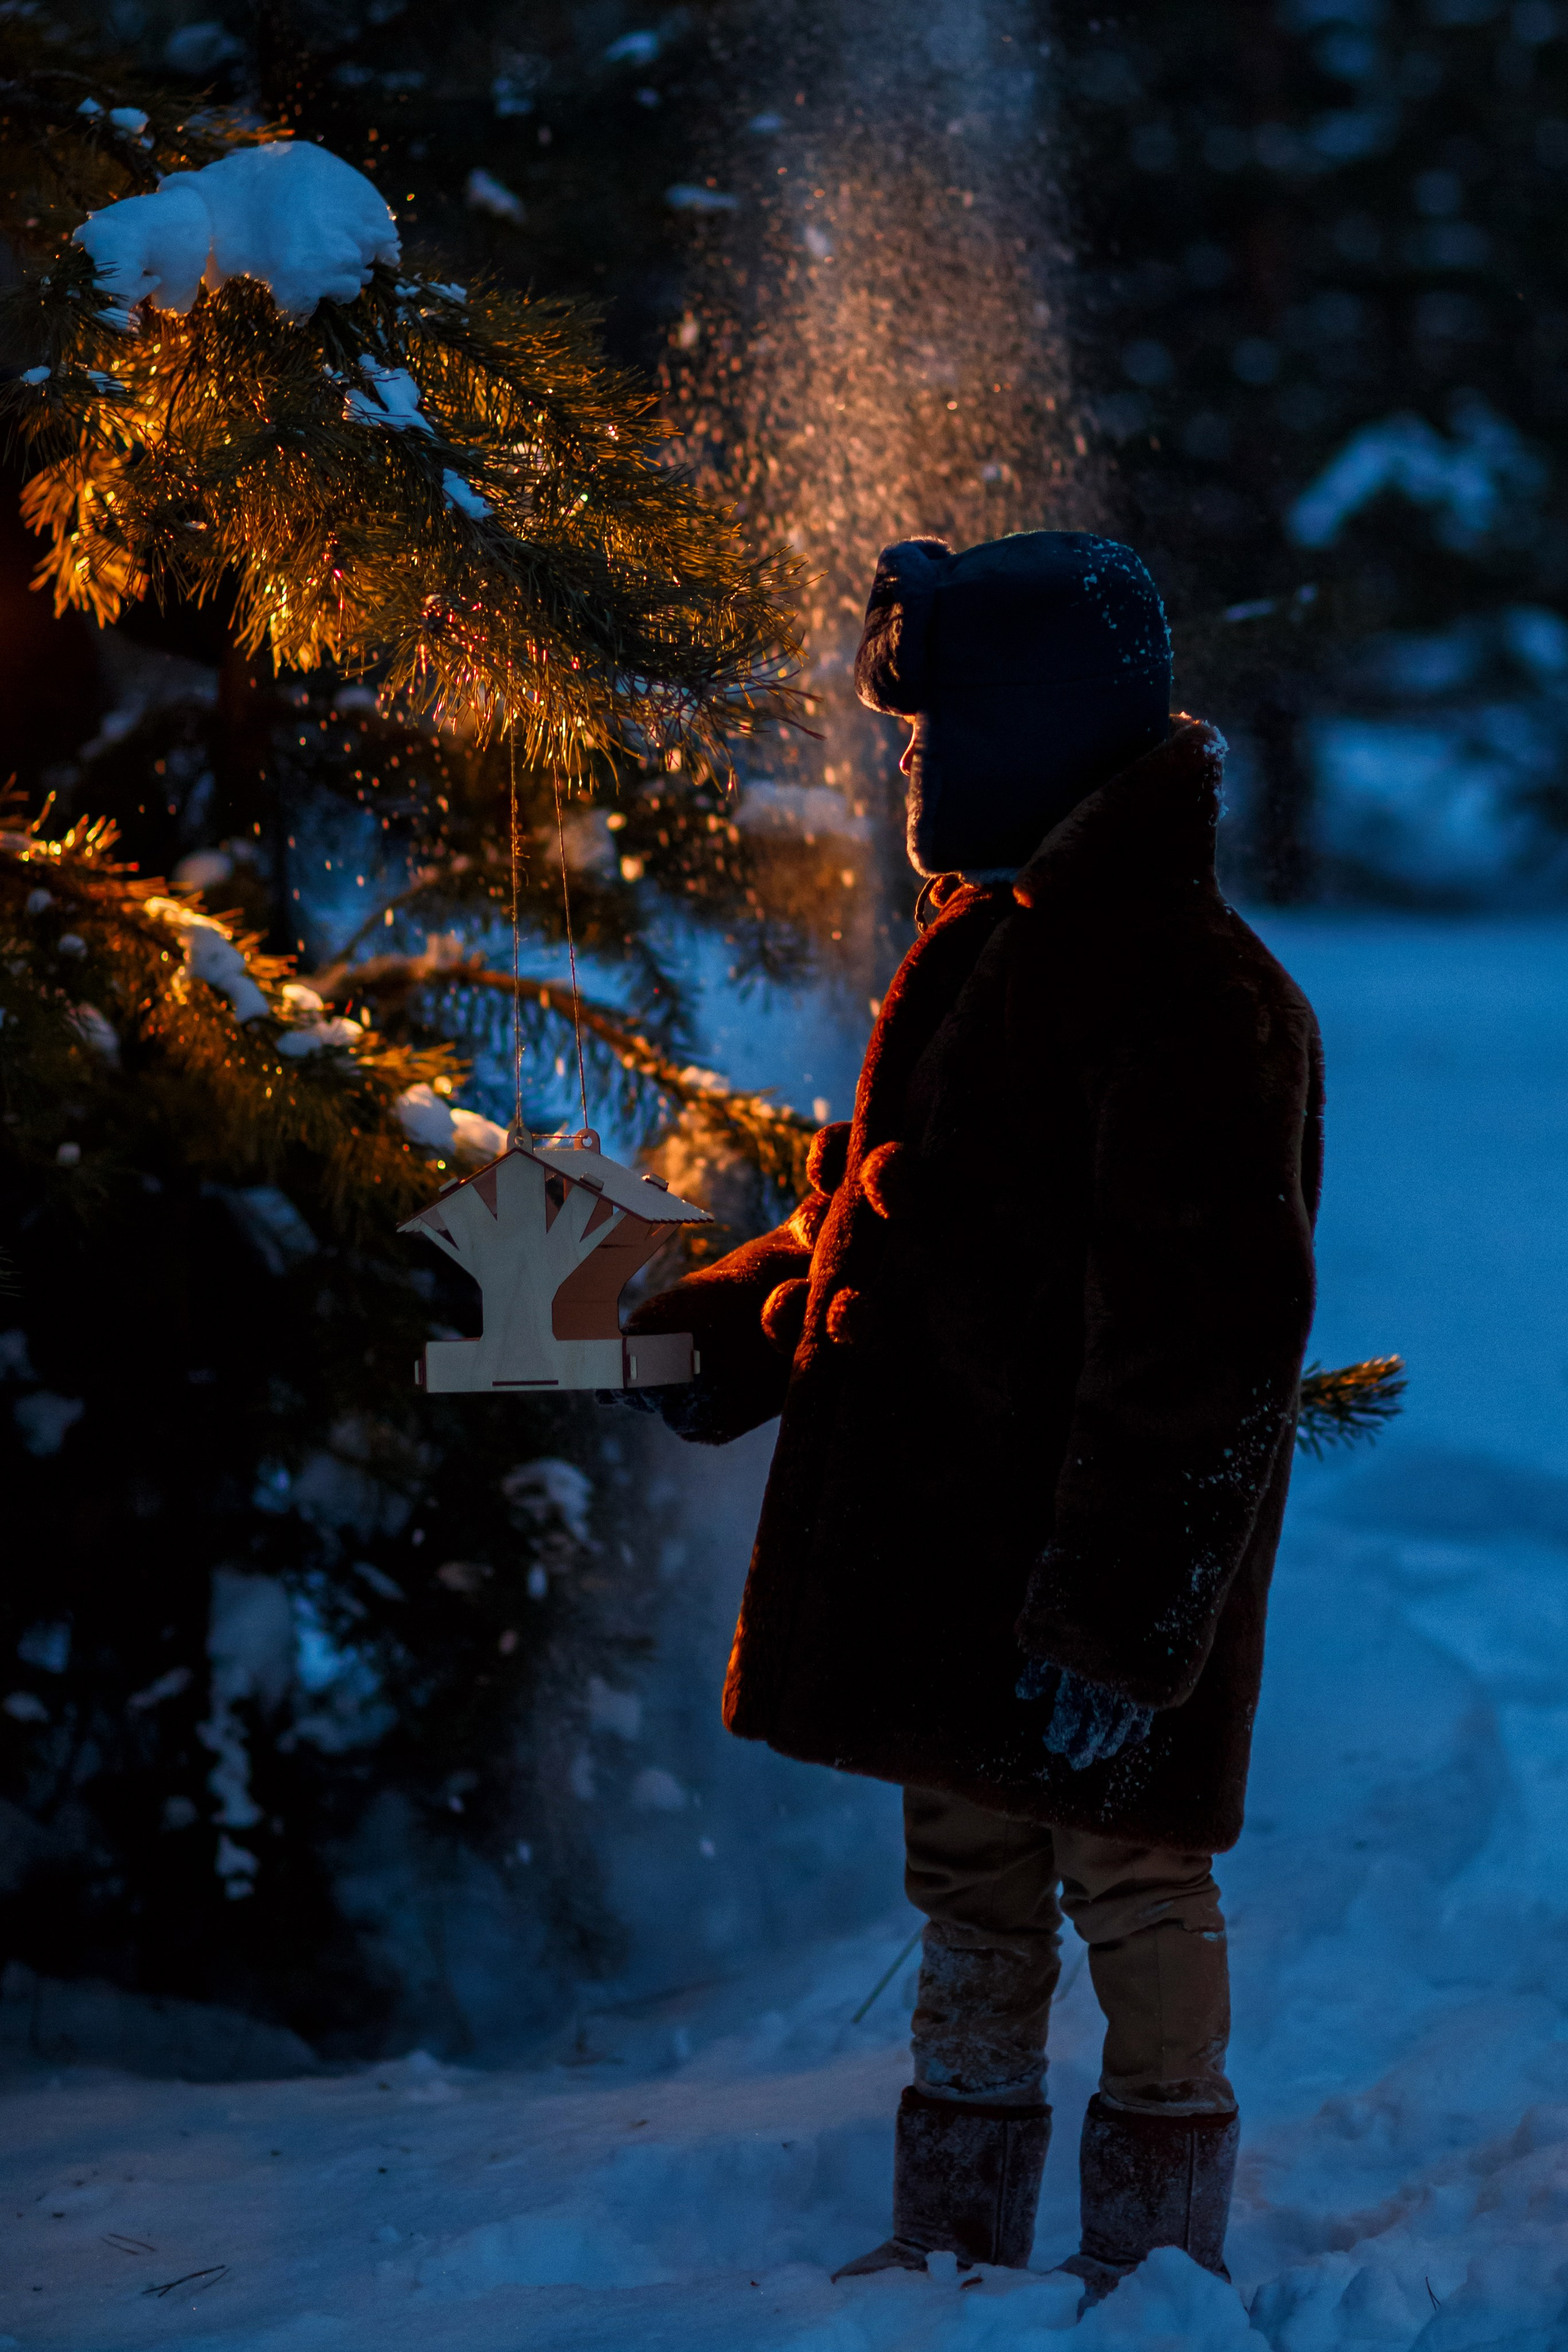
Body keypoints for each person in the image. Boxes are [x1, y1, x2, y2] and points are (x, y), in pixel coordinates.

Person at [620, 530, 1323, 2300]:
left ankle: (1155, 2264)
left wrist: (1118, 1623)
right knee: (969, 1885)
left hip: (1086, 1589)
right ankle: (952, 2233)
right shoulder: (968, 949)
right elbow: (876, 1216)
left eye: (937, 732)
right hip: (945, 1559)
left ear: (1042, 731)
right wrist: (732, 1329)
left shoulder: (1198, 998)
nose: (910, 765)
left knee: (1135, 1887)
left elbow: (1205, 1348)